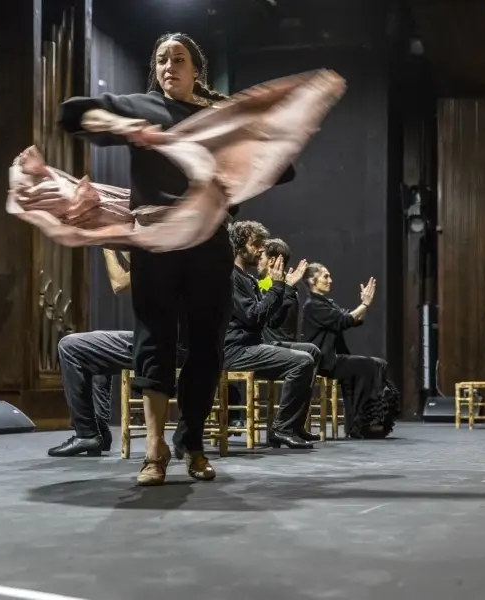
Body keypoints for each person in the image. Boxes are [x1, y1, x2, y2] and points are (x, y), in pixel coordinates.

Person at [59, 33, 294, 486]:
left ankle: (193, 444)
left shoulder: (214, 120)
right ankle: (154, 451)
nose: (170, 65)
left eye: (179, 58)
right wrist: (116, 122)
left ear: (195, 70)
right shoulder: (141, 107)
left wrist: (245, 130)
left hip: (208, 244)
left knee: (207, 346)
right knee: (154, 341)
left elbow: (282, 167)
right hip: (158, 241)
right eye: (163, 59)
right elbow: (72, 113)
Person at [223, 221, 321, 448]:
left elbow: (271, 319)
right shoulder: (231, 277)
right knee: (302, 362)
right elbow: (253, 316)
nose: (260, 249)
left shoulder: (248, 279)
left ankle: (294, 424)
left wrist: (285, 287)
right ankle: (281, 429)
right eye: (255, 244)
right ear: (239, 246)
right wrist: (277, 287)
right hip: (235, 350)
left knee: (312, 352)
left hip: (251, 345)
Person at [47, 248, 135, 457]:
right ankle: (100, 431)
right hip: (183, 341)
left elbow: (120, 283)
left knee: (71, 347)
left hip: (162, 343)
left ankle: (87, 433)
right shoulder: (188, 248)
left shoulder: (168, 253)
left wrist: (108, 247)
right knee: (94, 348)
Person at [300, 263, 399, 438]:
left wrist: (364, 305)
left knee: (375, 364)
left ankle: (364, 422)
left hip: (336, 358)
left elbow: (354, 319)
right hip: (324, 361)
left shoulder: (326, 303)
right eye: (325, 276)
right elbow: (344, 320)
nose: (330, 280)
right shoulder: (313, 305)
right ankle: (363, 423)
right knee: (369, 365)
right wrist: (364, 304)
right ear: (312, 281)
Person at [258, 238, 300, 343]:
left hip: (276, 352)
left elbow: (271, 322)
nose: (256, 261)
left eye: (260, 258)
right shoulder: (288, 287)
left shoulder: (278, 286)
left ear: (271, 260)